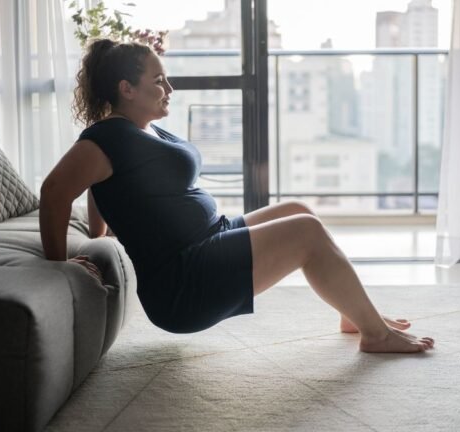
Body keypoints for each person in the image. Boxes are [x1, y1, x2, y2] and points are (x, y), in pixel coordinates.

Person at [39, 38, 434, 353]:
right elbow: (56, 191)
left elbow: (100, 187)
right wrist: (60, 264)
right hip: (184, 279)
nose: (169, 88)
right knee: (306, 231)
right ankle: (375, 336)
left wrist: (99, 234)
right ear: (126, 88)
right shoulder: (103, 138)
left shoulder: (138, 130)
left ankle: (355, 315)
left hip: (207, 239)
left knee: (298, 209)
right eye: (158, 80)